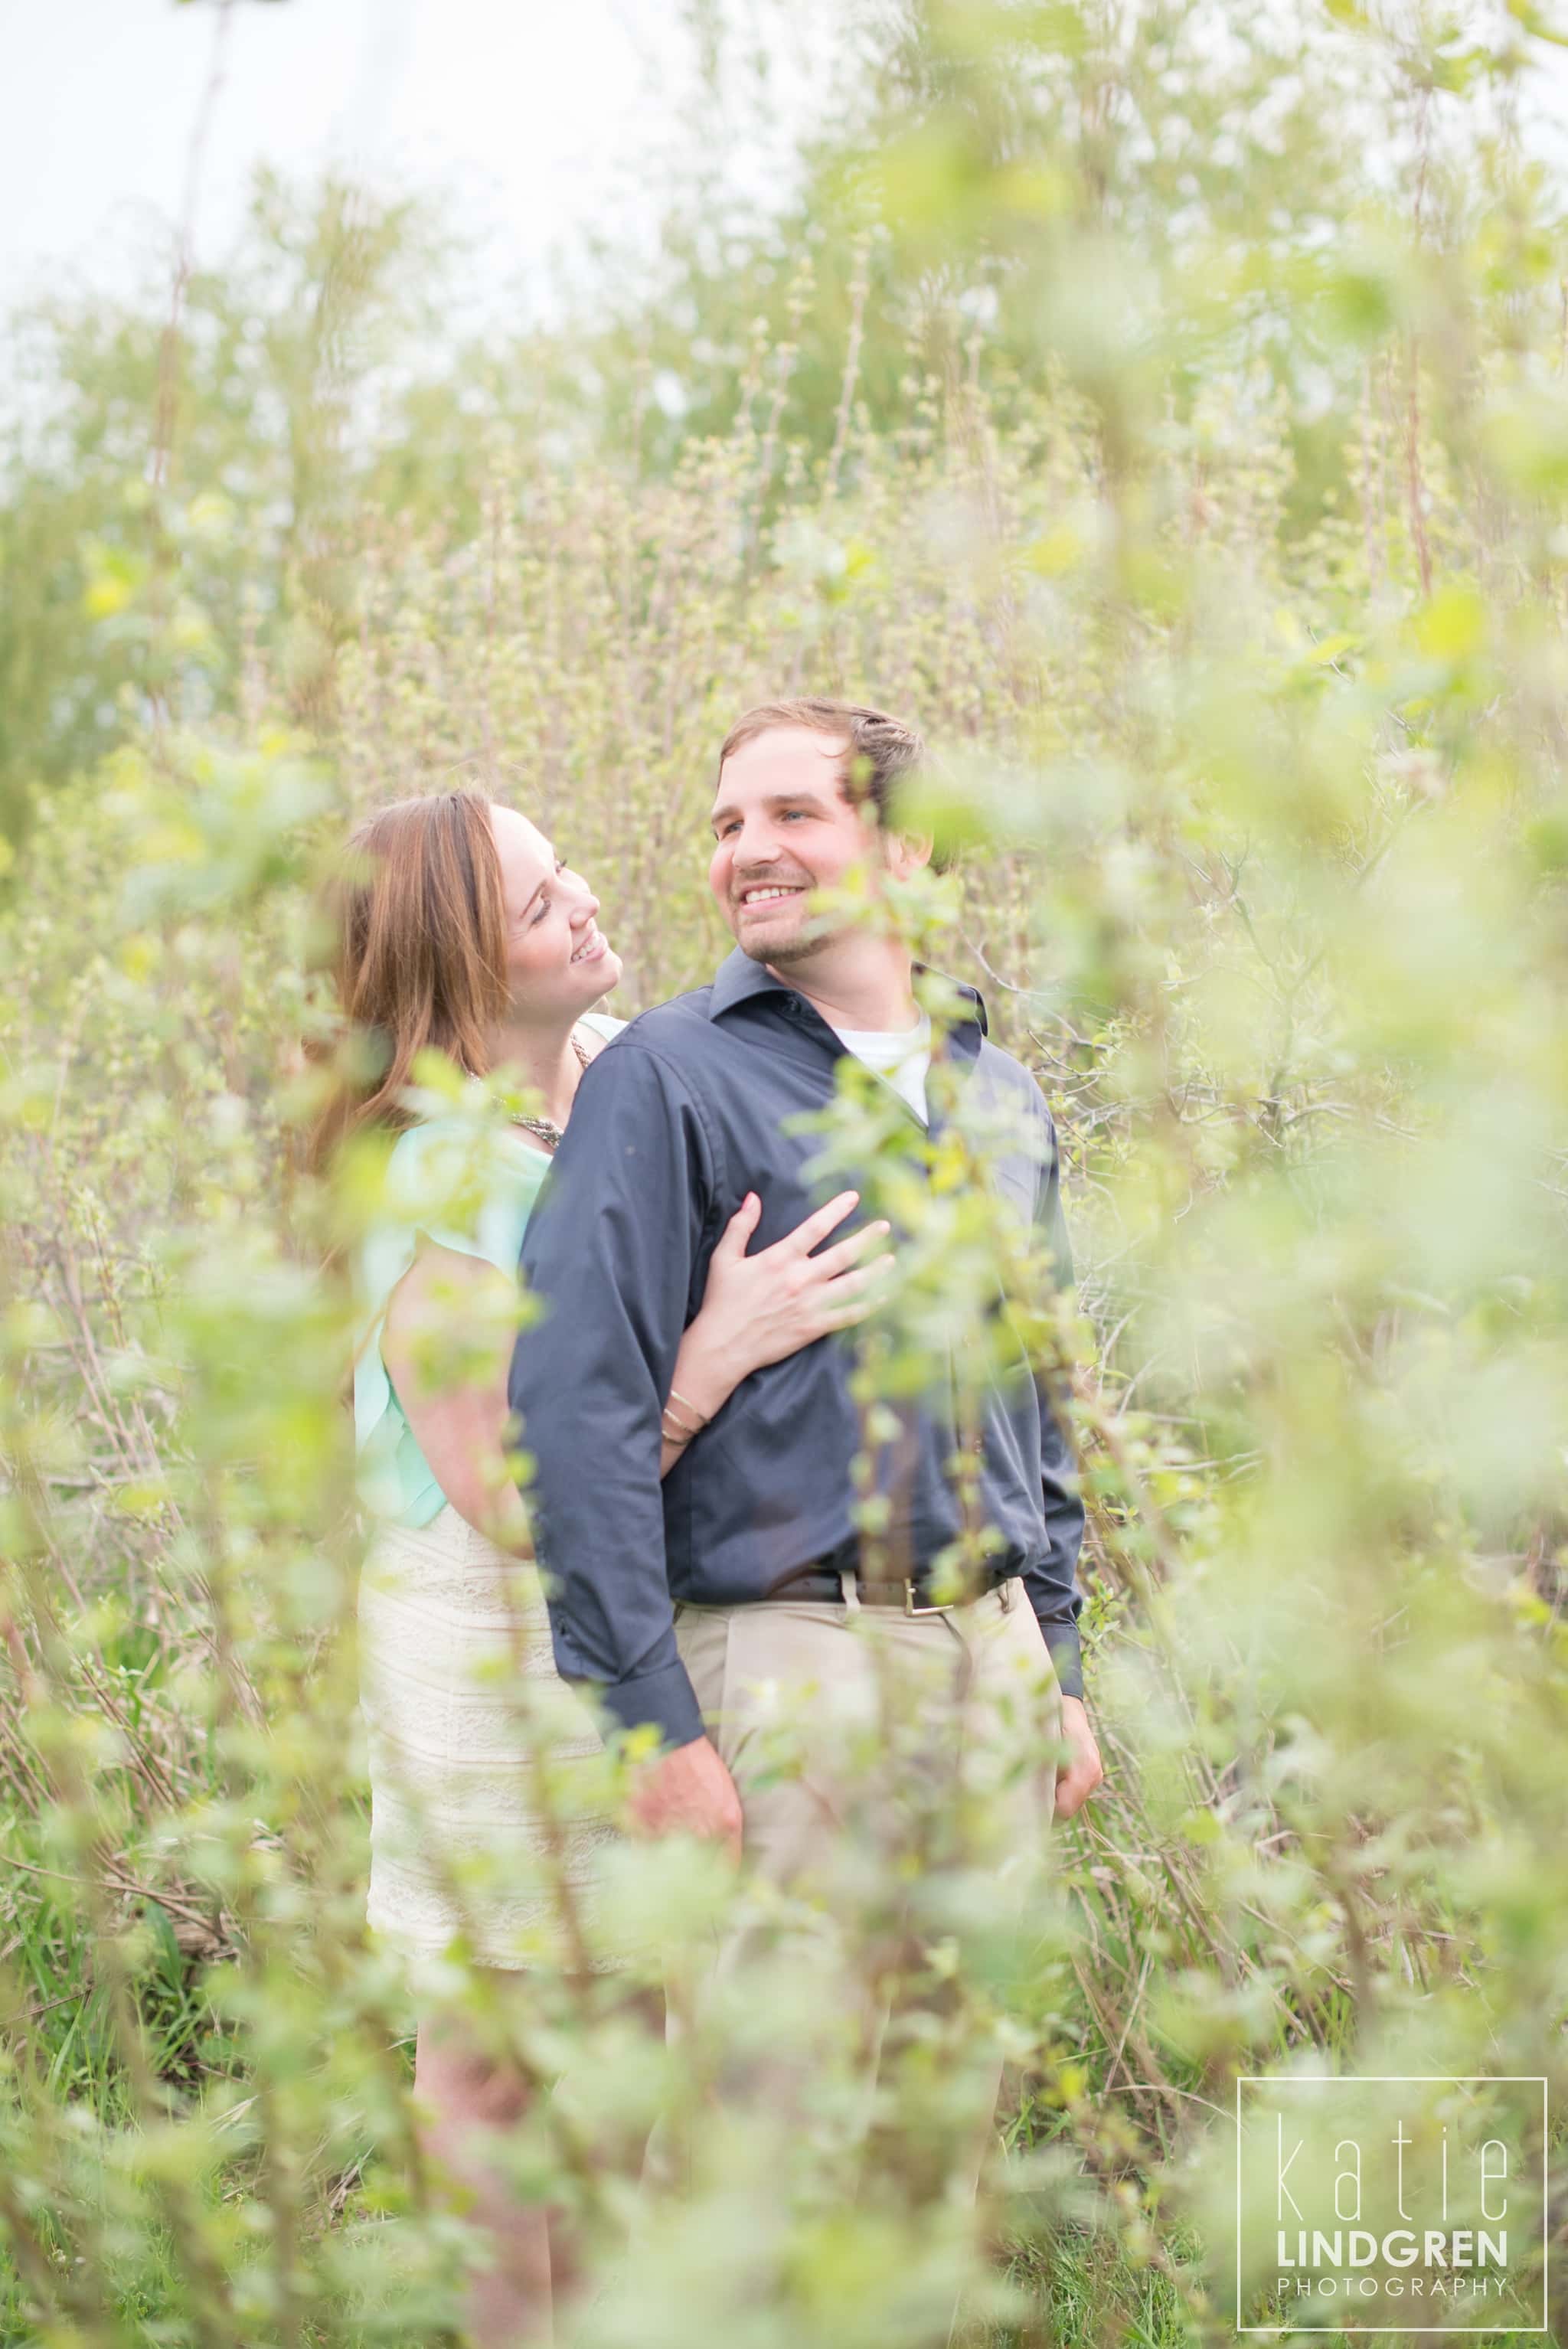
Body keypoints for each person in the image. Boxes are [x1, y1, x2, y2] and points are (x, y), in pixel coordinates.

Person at [316, 787, 893, 2347]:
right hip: (486, 1645)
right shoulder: (430, 1182)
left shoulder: (612, 1069)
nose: (582, 901)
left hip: (642, 1613)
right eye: (534, 901)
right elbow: (512, 1492)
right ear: (458, 968)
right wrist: (714, 1355)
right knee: (497, 2047)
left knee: (632, 2010)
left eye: (563, 869)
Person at [511, 697, 1105, 2200]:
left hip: (988, 1654)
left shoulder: (997, 1091)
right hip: (782, 1653)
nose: (746, 851)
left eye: (792, 815)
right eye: (726, 823)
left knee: (945, 2133)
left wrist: (1058, 1656)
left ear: (900, 852)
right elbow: (573, 1409)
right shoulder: (667, 1074)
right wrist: (648, 1714)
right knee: (759, 2148)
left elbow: (1031, 1393)